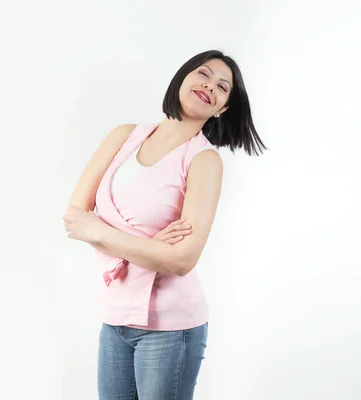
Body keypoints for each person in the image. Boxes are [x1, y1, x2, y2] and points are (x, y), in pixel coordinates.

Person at [62, 49, 266, 400]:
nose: (209, 86)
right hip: (115, 317)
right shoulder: (123, 136)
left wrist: (99, 229)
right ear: (183, 77)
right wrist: (153, 246)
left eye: (222, 87)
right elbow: (75, 218)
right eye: (203, 74)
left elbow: (181, 261)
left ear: (222, 109)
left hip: (171, 327)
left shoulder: (204, 161)